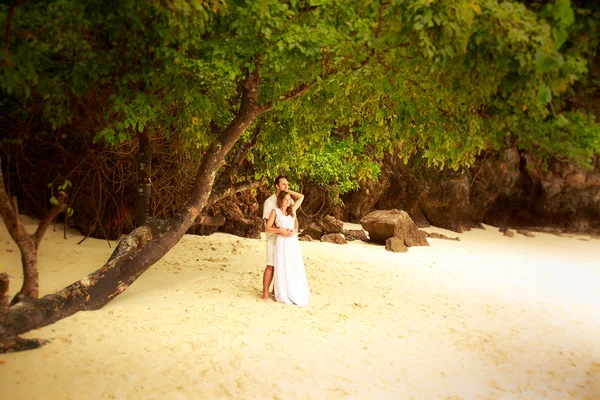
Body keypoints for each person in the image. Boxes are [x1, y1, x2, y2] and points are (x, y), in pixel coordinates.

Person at [265, 190, 311, 306]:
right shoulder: (275, 212)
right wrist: (280, 231)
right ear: (280, 200)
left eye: (289, 199)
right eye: (285, 199)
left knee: (293, 265)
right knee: (282, 265)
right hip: (281, 241)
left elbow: (301, 196)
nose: (288, 201)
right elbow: (268, 228)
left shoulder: (292, 210)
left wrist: (295, 231)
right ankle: (281, 291)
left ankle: (293, 290)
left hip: (292, 242)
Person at [261, 176, 302, 300]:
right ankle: (265, 292)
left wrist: (287, 193)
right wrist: (281, 231)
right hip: (273, 238)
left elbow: (295, 220)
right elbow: (268, 225)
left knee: (282, 265)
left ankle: (277, 291)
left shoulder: (289, 203)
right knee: (271, 265)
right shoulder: (270, 202)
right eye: (283, 184)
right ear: (276, 186)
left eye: (287, 184)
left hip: (286, 239)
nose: (286, 186)